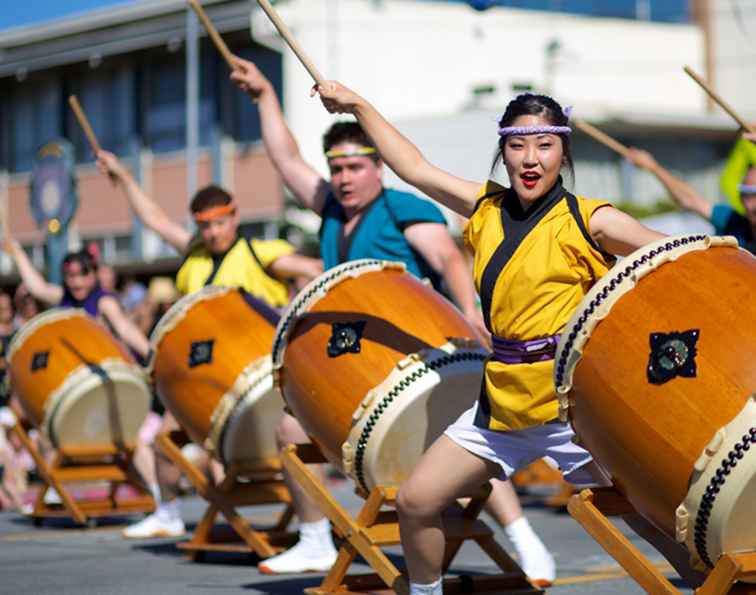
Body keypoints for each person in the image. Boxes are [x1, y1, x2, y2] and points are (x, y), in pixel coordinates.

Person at [313, 83, 707, 594]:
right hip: (501, 401)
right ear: (503, 150)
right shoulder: (485, 208)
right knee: (415, 501)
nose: (530, 158)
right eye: (518, 145)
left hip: (573, 407)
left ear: (563, 151)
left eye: (544, 146)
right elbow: (413, 167)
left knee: (646, 522)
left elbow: (685, 260)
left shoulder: (592, 219)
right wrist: (358, 106)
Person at [229, 58, 555, 584]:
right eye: (335, 169)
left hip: (419, 351)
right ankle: (313, 538)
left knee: (466, 441)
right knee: (291, 426)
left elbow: (449, 258)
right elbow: (286, 160)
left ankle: (523, 537)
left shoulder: (401, 206)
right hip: (359, 360)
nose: (343, 178)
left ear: (376, 166)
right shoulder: (333, 211)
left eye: (354, 167)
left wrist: (471, 317)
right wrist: (266, 94)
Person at [96, 152, 323, 539]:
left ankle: (313, 531)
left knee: (283, 443)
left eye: (221, 222)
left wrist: (293, 310)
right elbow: (154, 219)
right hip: (200, 378)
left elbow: (317, 270)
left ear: (234, 218)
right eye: (206, 225)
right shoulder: (194, 255)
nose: (215, 232)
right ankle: (167, 512)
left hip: (254, 376)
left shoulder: (259, 254)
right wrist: (123, 176)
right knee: (163, 441)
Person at [4, 242, 150, 361]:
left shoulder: (104, 301)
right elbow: (38, 288)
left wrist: (151, 355)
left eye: (83, 274)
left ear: (94, 274)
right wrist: (18, 253)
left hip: (107, 365)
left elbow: (125, 328)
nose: (77, 282)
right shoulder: (65, 296)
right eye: (70, 276)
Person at [626, 134, 756, 253]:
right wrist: (652, 166)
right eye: (751, 194)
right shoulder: (731, 222)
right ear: (741, 197)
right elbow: (689, 199)